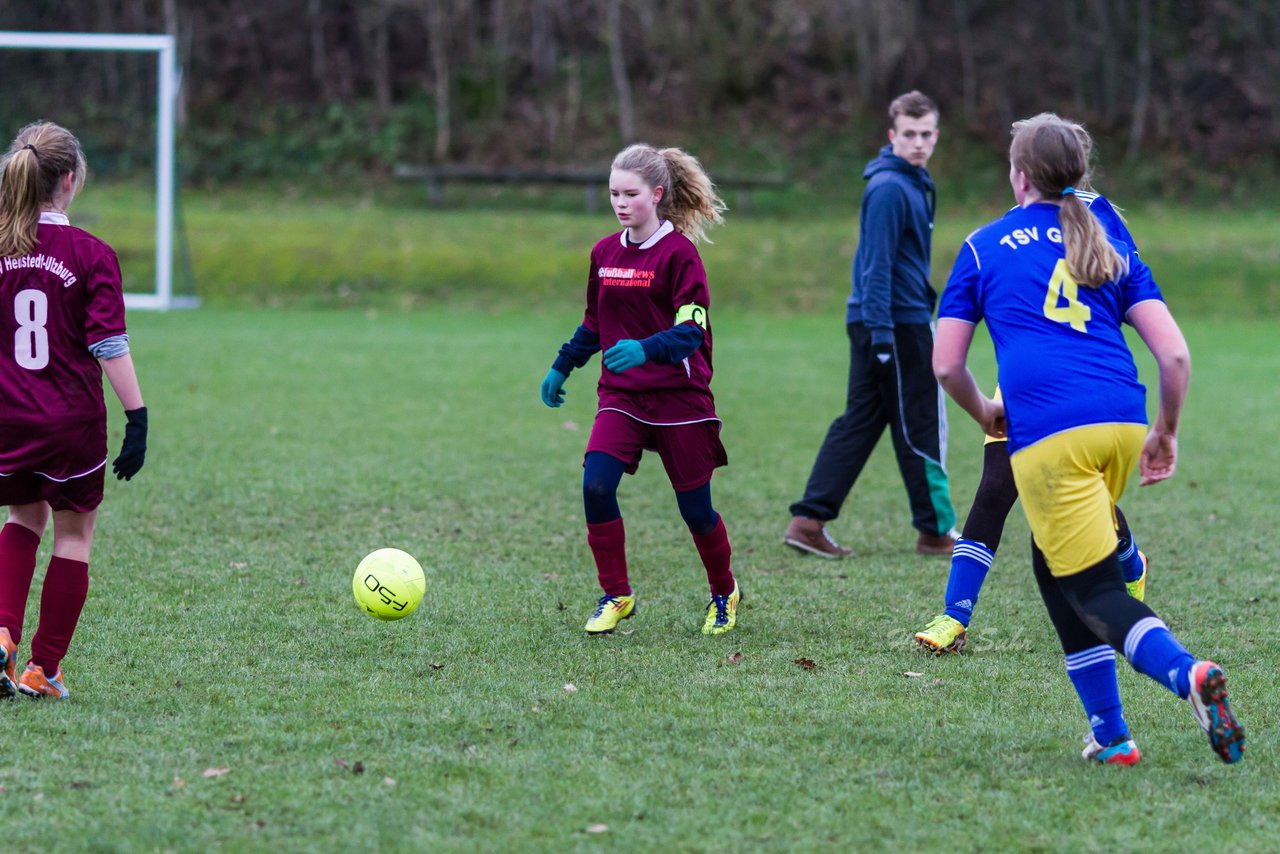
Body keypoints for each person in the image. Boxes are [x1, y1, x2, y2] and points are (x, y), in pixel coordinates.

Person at [933, 112, 1243, 765]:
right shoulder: (1106, 229)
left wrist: (987, 411)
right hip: (1123, 423)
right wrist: (1167, 432)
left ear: (1018, 177)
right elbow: (1176, 357)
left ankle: (1186, 673)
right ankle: (1111, 737)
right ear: (1080, 172)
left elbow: (945, 364)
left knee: (1095, 594)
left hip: (1050, 434)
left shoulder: (983, 246)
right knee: (1055, 569)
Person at [914, 152, 1150, 654]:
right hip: (1025, 383)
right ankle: (953, 616)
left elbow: (1125, 284)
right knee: (995, 488)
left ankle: (1130, 561)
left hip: (1083, 387)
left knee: (1091, 500)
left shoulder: (1096, 211)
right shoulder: (1019, 219)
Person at [540, 143, 739, 636]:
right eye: (613, 193)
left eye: (630, 193)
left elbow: (692, 330)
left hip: (679, 399)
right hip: (623, 397)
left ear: (656, 194)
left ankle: (724, 592)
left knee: (696, 510)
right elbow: (595, 321)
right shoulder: (604, 253)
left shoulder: (680, 255)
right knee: (596, 484)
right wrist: (563, 365)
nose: (620, 203)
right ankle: (616, 593)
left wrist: (646, 349)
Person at [0, 122, 147, 700]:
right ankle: (44, 669)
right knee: (73, 537)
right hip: (71, 423)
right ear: (69, 180)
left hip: (6, 420)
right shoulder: (91, 254)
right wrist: (137, 417)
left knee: (20, 520)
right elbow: (109, 345)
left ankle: (1, 638)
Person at [784, 90, 958, 559]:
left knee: (861, 421)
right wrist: (882, 336)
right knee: (920, 423)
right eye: (909, 135)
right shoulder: (888, 189)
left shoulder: (914, 181)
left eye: (926, 135)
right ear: (892, 135)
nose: (918, 143)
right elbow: (875, 268)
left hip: (889, 322)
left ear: (935, 135)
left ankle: (808, 521)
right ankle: (936, 531)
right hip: (893, 326)